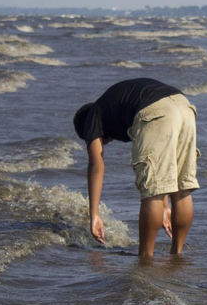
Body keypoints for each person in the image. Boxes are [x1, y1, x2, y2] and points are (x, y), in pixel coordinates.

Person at [73, 78, 199, 259]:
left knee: (151, 193)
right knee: (182, 189)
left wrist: (94, 215)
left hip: (156, 111)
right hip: (184, 105)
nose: (105, 143)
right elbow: (162, 167)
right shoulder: (115, 106)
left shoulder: (93, 116)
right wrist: (164, 207)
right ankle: (176, 255)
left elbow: (96, 164)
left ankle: (145, 259)